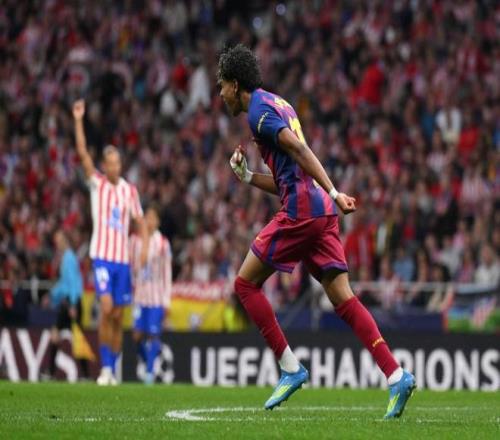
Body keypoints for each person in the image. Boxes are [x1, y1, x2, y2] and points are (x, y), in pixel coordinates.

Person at [218, 44, 415, 418]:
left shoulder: (258, 112)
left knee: (244, 285)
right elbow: (289, 177)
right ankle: (396, 374)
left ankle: (290, 367)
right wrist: (248, 177)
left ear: (235, 83)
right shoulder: (279, 103)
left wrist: (335, 191)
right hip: (319, 212)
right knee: (344, 298)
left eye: (222, 86)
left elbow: (299, 151)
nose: (221, 94)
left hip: (303, 212)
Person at [73, 100, 148, 386]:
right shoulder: (98, 184)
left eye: (118, 163)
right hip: (102, 257)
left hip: (123, 261)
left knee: (117, 316)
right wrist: (78, 120)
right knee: (106, 309)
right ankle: (105, 368)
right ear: (105, 166)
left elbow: (140, 221)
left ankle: (111, 368)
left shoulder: (130, 191)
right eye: (111, 163)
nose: (115, 167)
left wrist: (143, 249)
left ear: (120, 165)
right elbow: (82, 153)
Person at [130, 205, 172, 384]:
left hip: (156, 297)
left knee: (153, 335)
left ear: (158, 222)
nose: (150, 221)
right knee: (136, 336)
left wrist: (167, 300)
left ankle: (148, 373)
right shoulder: (134, 241)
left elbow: (167, 272)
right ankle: (148, 362)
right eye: (147, 217)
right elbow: (132, 268)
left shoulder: (163, 243)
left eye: (153, 218)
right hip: (139, 296)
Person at [44, 230, 88, 380]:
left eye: (59, 240)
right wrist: (52, 295)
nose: (57, 244)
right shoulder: (66, 257)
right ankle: (52, 372)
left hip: (71, 303)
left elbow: (74, 283)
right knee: (59, 335)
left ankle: (85, 374)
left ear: (65, 241)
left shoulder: (69, 258)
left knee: (76, 338)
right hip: (68, 302)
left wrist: (73, 304)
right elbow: (64, 284)